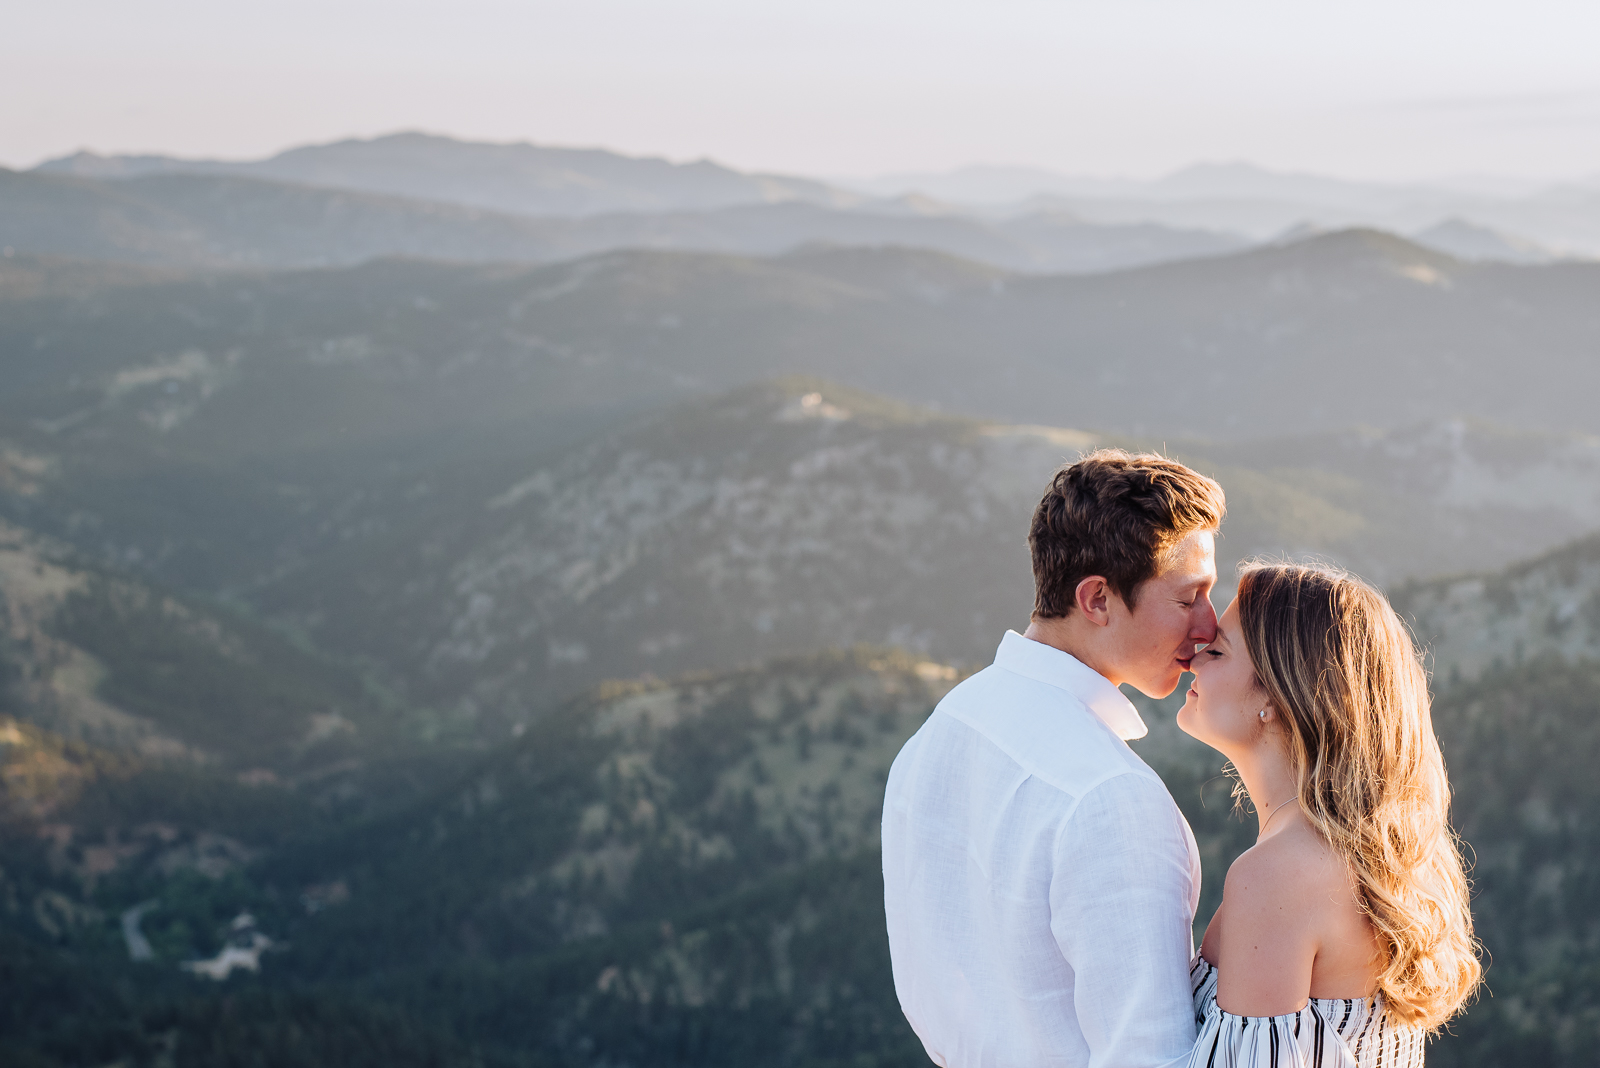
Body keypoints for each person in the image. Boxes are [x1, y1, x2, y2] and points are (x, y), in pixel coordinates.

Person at [882, 448, 1227, 1068]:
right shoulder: (1110, 798)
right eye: (1188, 598)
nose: (1210, 626)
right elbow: (1148, 1057)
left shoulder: (944, 728)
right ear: (1096, 599)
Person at [1179, 562, 1480, 1066]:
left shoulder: (1278, 875)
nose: (1192, 661)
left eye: (1216, 650)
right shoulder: (1371, 859)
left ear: (1276, 695)